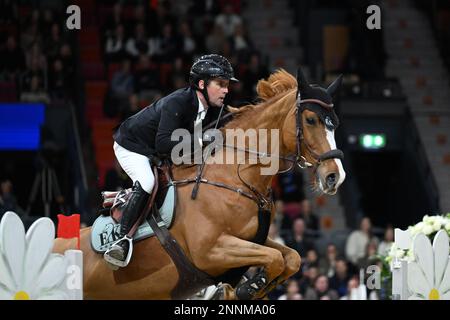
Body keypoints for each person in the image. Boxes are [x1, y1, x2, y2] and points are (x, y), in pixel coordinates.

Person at [103, 54, 238, 268]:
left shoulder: (206, 108)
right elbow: (165, 144)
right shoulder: (179, 102)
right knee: (147, 182)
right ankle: (121, 240)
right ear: (201, 84)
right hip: (132, 145)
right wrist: (203, 139)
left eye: (227, 85)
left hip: (156, 150)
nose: (226, 90)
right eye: (220, 84)